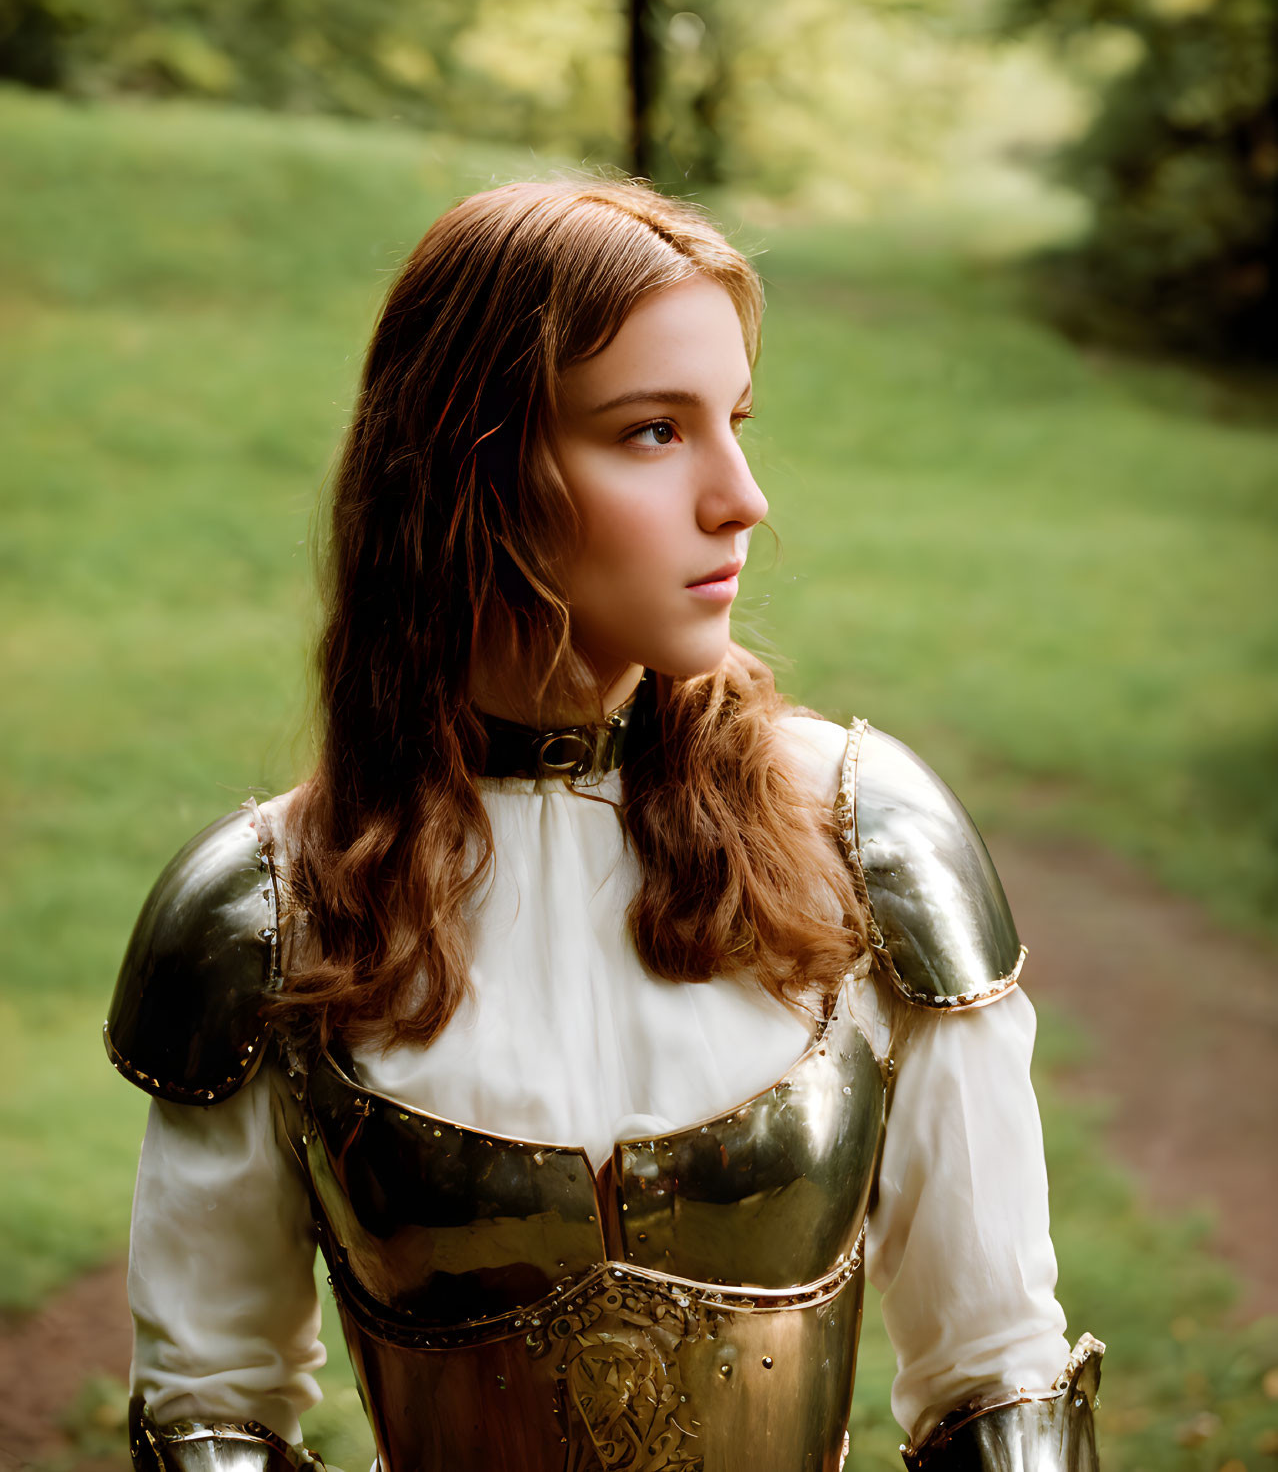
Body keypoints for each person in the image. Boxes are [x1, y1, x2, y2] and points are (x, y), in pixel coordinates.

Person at [105, 179, 1103, 1472]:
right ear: (472, 469)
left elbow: (1001, 1387)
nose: (739, 497)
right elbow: (209, 1417)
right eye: (649, 433)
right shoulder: (264, 913)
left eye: (732, 423)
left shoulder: (864, 839)